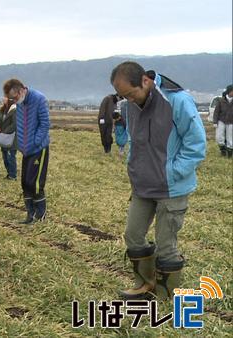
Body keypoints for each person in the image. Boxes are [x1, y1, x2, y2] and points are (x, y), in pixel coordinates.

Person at [111, 61, 206, 300]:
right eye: (124, 97)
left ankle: (167, 295)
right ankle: (145, 284)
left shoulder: (178, 101)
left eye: (131, 94)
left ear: (145, 81)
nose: (129, 101)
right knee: (133, 235)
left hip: (170, 187)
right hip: (143, 185)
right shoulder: (131, 104)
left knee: (166, 245)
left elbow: (196, 144)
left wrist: (172, 172)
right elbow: (136, 142)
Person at [3, 79, 50, 224]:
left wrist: (35, 142)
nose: (14, 100)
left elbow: (45, 124)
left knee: (35, 183)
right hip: (25, 149)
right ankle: (30, 215)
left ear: (22, 90)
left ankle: (40, 216)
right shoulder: (19, 103)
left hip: (38, 148)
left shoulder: (39, 99)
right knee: (25, 183)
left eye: (15, 97)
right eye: (12, 98)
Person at [0, 96, 17, 180]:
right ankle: (9, 173)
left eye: (5, 97)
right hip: (3, 138)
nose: (3, 98)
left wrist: (4, 131)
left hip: (12, 138)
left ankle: (13, 175)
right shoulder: (2, 110)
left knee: (10, 157)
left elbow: (14, 124)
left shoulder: (15, 110)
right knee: (5, 157)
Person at [213, 84, 233, 157]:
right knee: (219, 137)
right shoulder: (221, 101)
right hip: (221, 121)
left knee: (230, 138)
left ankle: (230, 154)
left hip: (231, 122)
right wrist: (215, 122)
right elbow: (216, 112)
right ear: (229, 91)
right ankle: (223, 150)